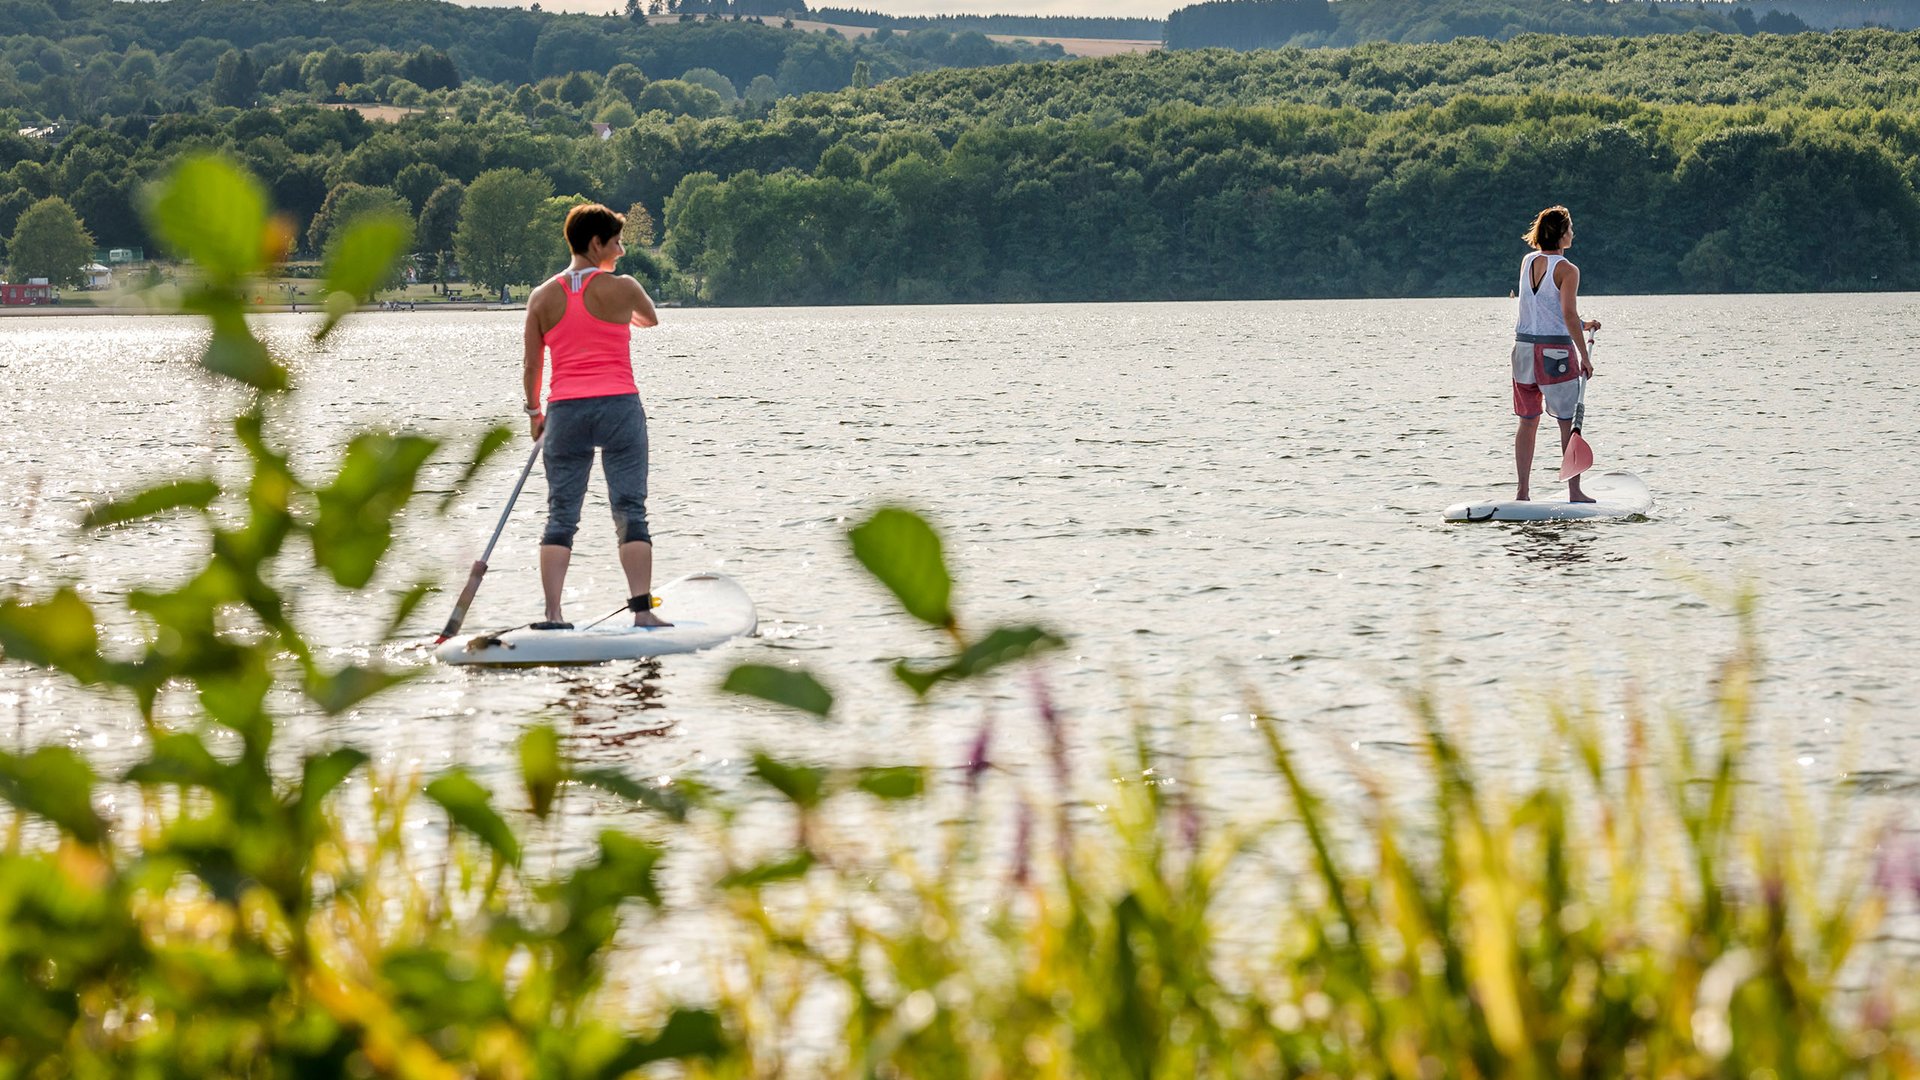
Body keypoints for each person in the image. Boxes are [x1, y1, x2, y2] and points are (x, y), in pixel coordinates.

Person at [521, 203, 669, 629]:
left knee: (561, 515)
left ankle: (553, 615)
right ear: (595, 243)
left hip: (564, 411)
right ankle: (642, 612)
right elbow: (649, 320)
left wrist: (534, 413)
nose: (621, 251)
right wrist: (616, 312)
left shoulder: (541, 296)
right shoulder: (623, 288)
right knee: (630, 509)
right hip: (619, 406)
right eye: (617, 242)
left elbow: (532, 368)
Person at [1510, 205, 1601, 502]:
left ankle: (1522, 493)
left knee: (1527, 421)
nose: (1573, 233)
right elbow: (1567, 311)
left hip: (1523, 351)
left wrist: (1582, 323)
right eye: (1570, 229)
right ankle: (1574, 491)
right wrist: (1584, 357)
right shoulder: (1568, 269)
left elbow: (1546, 308)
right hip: (1555, 355)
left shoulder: (1527, 261)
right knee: (1568, 422)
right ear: (1562, 235)